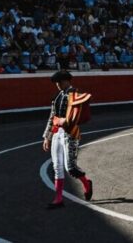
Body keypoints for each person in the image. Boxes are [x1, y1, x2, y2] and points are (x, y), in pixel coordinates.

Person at [41, 70, 93, 209]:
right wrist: (47, 137)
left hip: (70, 133)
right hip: (57, 133)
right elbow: (52, 117)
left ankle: (87, 183)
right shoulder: (58, 96)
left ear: (66, 81)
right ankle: (58, 199)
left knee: (70, 167)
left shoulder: (75, 95)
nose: (57, 85)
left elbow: (74, 119)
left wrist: (61, 121)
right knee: (57, 166)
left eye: (59, 82)